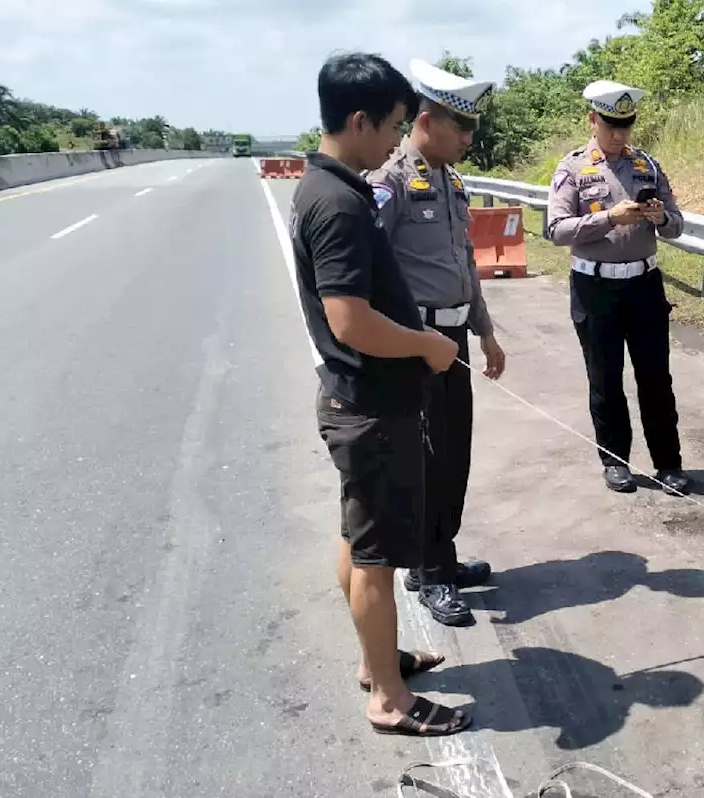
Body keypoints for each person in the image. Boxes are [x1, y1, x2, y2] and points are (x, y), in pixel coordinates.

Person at [289, 51, 470, 737]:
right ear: (359, 119)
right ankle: (389, 699)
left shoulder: (332, 185)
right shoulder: (336, 202)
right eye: (394, 124)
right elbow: (350, 320)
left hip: (360, 399)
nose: (399, 139)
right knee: (377, 556)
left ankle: (378, 660)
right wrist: (426, 345)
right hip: (369, 407)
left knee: (358, 537)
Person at [363, 59, 504, 628]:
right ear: (426, 121)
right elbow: (368, 271)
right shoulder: (390, 182)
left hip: (454, 336)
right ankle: (426, 571)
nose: (470, 139)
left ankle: (440, 555)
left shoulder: (450, 179)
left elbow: (464, 263)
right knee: (426, 460)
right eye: (462, 128)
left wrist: (486, 331)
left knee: (455, 454)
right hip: (415, 341)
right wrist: (406, 341)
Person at [546, 80, 691, 496]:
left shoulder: (648, 165)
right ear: (593, 120)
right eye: (610, 124)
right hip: (595, 287)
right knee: (605, 379)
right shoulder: (572, 168)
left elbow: (678, 225)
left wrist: (660, 217)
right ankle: (615, 461)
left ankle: (668, 464)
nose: (619, 134)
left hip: (644, 284)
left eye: (625, 125)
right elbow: (555, 229)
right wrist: (609, 218)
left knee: (655, 379)